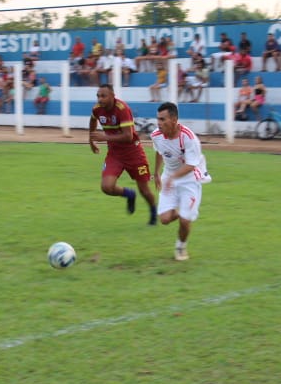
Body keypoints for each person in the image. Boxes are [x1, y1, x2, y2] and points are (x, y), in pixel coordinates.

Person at [88, 84, 157, 225]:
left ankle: (153, 211)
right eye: (98, 96)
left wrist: (104, 138)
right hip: (115, 154)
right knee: (106, 187)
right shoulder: (97, 109)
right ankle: (129, 194)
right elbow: (93, 121)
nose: (100, 99)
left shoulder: (122, 109)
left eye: (103, 96)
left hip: (134, 153)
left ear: (113, 96)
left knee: (144, 190)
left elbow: (128, 136)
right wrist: (91, 141)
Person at [151, 102, 211, 261]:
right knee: (164, 219)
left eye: (163, 119)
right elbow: (158, 152)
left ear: (174, 119)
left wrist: (173, 177)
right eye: (158, 119)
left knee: (185, 222)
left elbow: (191, 165)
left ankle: (181, 247)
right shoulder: (156, 135)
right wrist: (156, 173)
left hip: (189, 179)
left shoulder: (189, 138)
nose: (159, 123)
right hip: (169, 176)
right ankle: (182, 212)